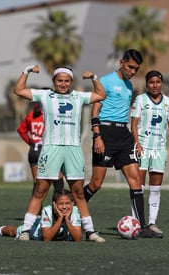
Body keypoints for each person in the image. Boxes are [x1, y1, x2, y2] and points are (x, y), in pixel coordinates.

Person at [13, 64, 106, 242]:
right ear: (54, 81)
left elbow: (101, 95)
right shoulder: (45, 95)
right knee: (41, 190)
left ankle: (90, 232)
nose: (63, 84)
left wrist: (94, 77)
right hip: (51, 147)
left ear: (71, 82)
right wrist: (26, 71)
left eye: (66, 81)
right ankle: (25, 230)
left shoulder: (79, 97)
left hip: (73, 149)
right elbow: (18, 90)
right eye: (59, 80)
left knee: (78, 192)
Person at [82, 49, 160, 238]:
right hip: (105, 133)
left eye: (136, 69)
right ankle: (74, 210)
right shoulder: (106, 81)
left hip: (123, 135)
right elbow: (95, 111)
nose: (133, 71)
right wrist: (97, 136)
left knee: (136, 182)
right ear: (122, 62)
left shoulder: (129, 85)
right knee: (96, 184)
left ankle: (142, 228)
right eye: (130, 67)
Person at [130, 70, 169, 237]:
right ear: (147, 84)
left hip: (159, 149)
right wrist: (137, 144)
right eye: (151, 82)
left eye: (158, 82)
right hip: (142, 147)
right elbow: (134, 124)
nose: (155, 85)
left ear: (162, 83)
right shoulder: (140, 100)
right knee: (138, 187)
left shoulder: (168, 102)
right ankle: (136, 223)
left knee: (155, 188)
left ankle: (151, 222)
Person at [0, 189, 82, 242]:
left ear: (72, 204)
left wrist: (67, 220)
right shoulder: (47, 210)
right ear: (54, 204)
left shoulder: (75, 210)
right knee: (13, 231)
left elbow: (77, 239)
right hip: (36, 232)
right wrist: (59, 219)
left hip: (56, 231)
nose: (64, 207)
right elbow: (47, 238)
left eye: (67, 203)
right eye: (60, 204)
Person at [17, 102, 64, 194]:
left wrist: (30, 142)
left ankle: (35, 208)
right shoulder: (50, 115)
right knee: (58, 183)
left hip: (34, 150)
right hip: (47, 150)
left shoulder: (31, 115)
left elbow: (21, 130)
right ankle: (56, 207)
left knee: (37, 185)